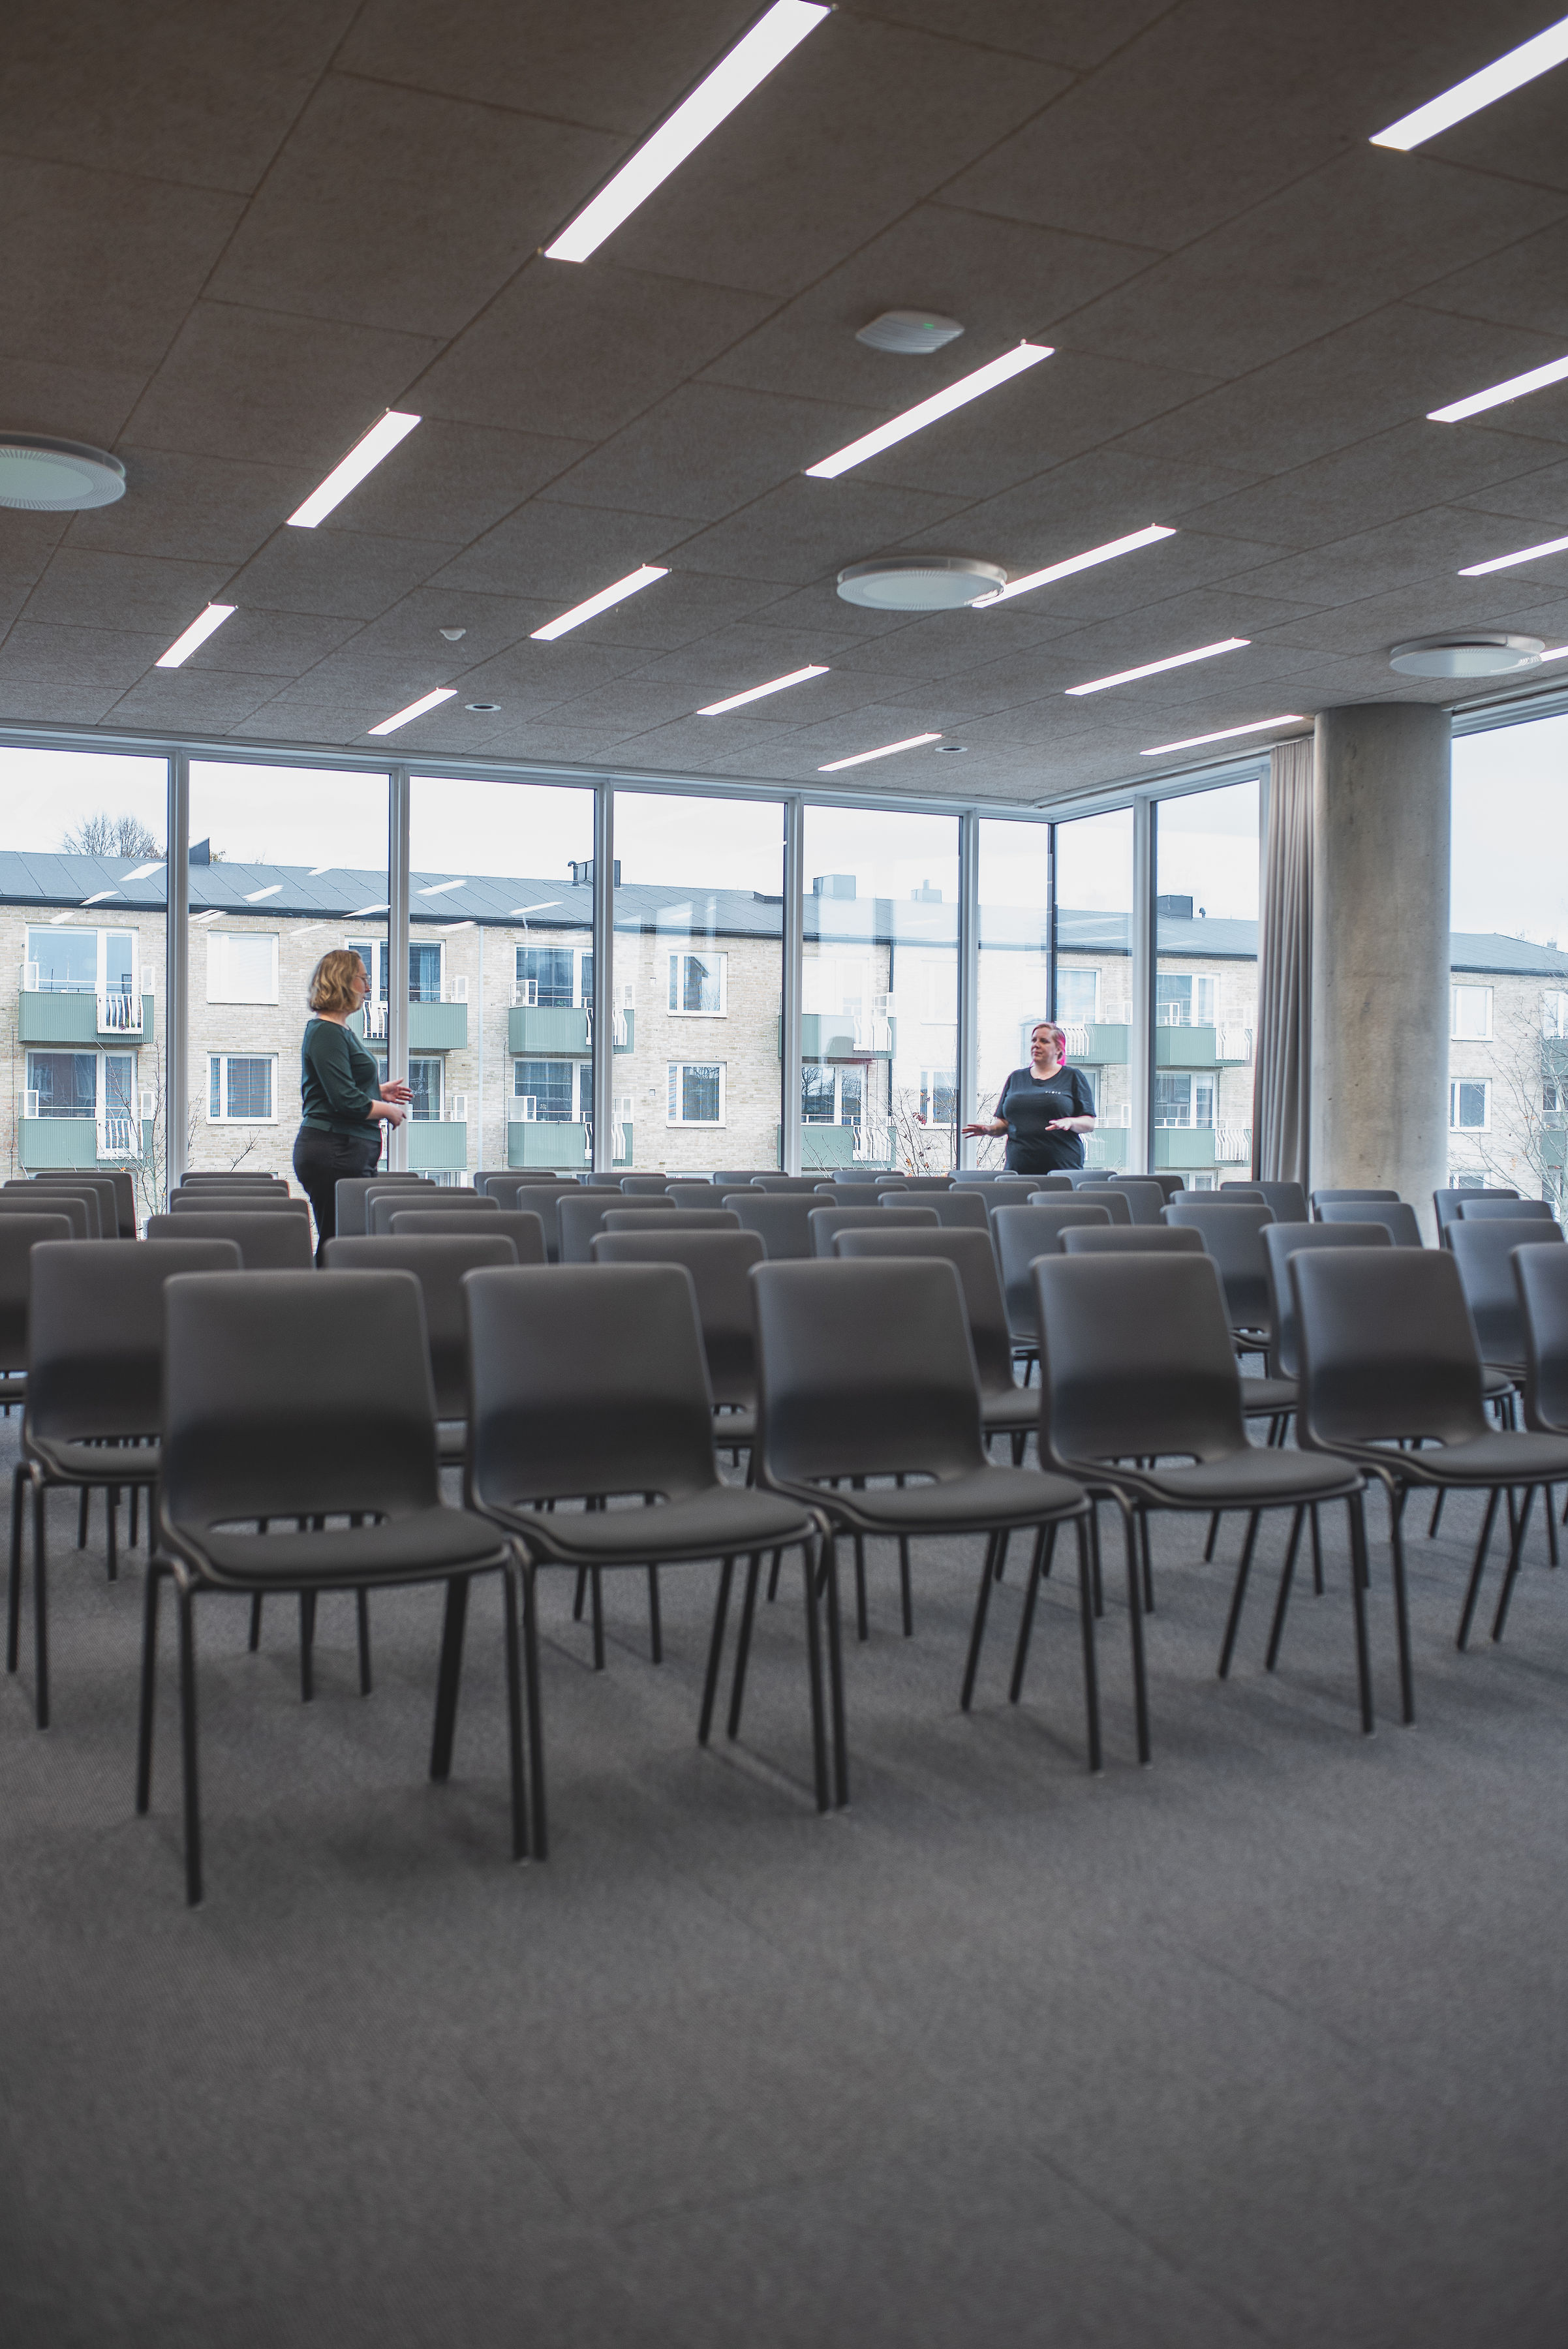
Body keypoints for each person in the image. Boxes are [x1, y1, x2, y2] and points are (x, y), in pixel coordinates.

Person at [292, 949, 412, 1260]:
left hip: (345, 1149)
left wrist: (377, 1091)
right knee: (340, 1244)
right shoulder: (326, 1033)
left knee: (347, 1243)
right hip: (334, 1149)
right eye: (364, 979)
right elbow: (344, 1100)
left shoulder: (340, 1030)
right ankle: (328, 1304)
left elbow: (340, 1085)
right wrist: (387, 1110)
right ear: (344, 981)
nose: (368, 988)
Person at [963, 1021, 1097, 1176]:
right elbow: (1004, 1124)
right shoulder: (1016, 1078)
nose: (1036, 1045)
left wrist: (1070, 1122)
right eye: (1034, 1040)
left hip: (1063, 1170)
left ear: (1059, 1049)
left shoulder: (1073, 1077)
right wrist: (990, 1129)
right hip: (1018, 1169)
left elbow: (1089, 1123)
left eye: (1044, 1041)